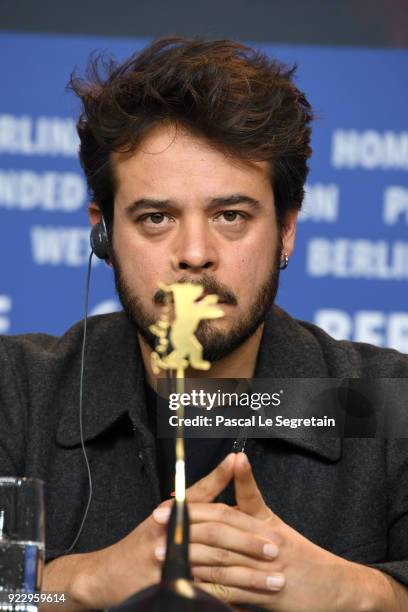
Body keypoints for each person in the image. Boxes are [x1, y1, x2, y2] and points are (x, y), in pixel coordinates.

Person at [1, 37, 408, 611]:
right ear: (104, 233)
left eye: (231, 215)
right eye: (156, 218)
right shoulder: (16, 391)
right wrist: (83, 584)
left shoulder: (388, 401)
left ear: (286, 230)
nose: (195, 253)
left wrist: (363, 594)